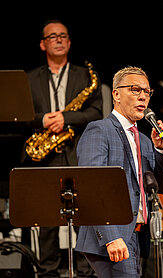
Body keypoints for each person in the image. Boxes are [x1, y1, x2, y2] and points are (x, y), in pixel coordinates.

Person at [75, 66, 163, 278]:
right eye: (135, 90)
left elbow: (162, 186)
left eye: (147, 92)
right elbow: (92, 186)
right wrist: (111, 237)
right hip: (112, 237)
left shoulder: (146, 141)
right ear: (116, 94)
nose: (143, 97)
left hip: (137, 236)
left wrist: (162, 150)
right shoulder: (100, 130)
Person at [24, 19, 103, 277]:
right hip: (45, 156)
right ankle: (46, 272)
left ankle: (84, 272)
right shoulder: (30, 78)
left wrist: (66, 118)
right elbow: (19, 115)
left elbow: (96, 112)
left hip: (77, 153)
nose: (58, 39)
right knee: (46, 219)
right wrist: (43, 119)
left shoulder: (85, 75)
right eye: (52, 36)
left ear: (69, 42)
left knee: (84, 218)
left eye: (63, 36)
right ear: (42, 44)